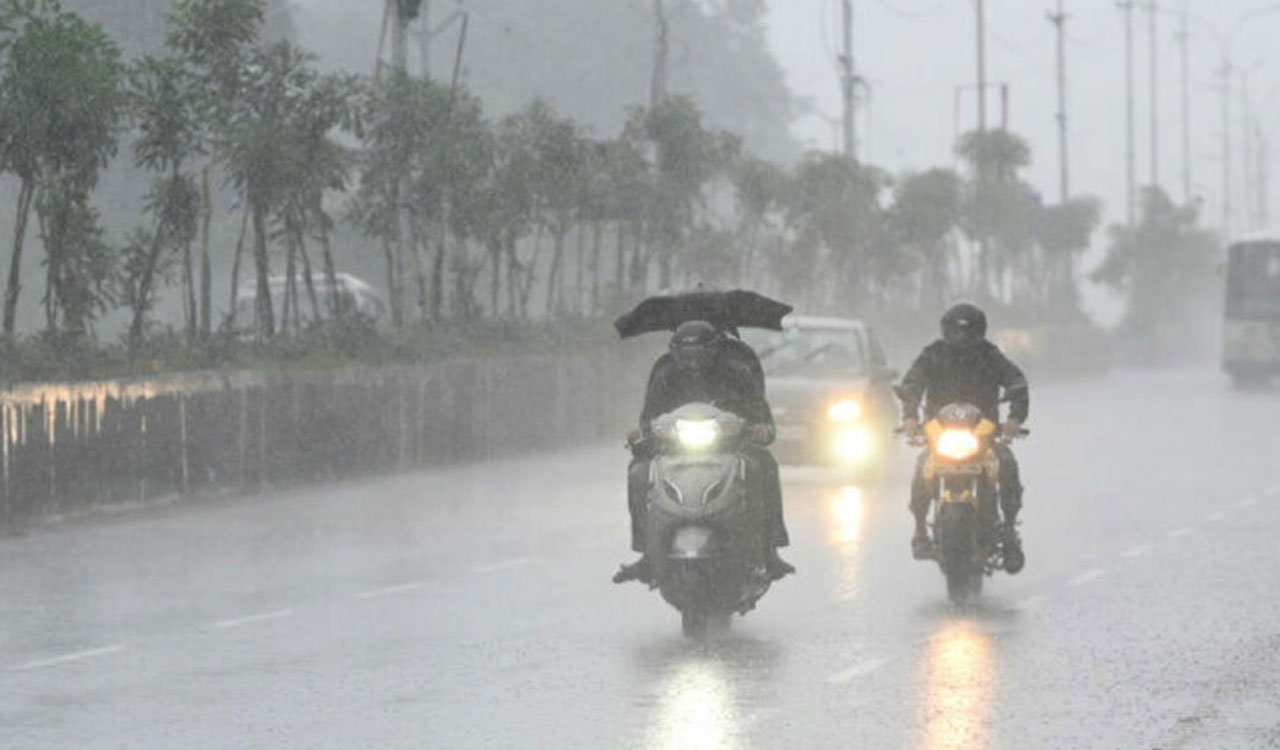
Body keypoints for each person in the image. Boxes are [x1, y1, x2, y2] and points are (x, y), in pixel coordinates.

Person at [613, 320, 795, 584]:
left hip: (731, 448)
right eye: (685, 354)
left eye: (699, 353)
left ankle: (768, 550)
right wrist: (643, 434)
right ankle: (647, 553)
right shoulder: (665, 374)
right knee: (639, 472)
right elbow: (648, 419)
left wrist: (759, 430)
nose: (692, 361)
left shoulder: (737, 372)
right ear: (674, 351)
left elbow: (760, 416)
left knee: (762, 466)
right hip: (673, 450)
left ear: (715, 350)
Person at [897, 303, 1028, 573]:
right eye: (956, 332)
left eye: (967, 333)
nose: (961, 339)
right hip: (939, 431)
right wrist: (910, 416)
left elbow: (1016, 381)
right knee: (923, 466)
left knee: (1006, 461)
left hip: (983, 431)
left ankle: (1009, 533)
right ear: (946, 331)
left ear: (979, 332)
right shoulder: (932, 354)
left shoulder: (990, 355)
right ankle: (920, 530)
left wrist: (1015, 419)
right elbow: (912, 384)